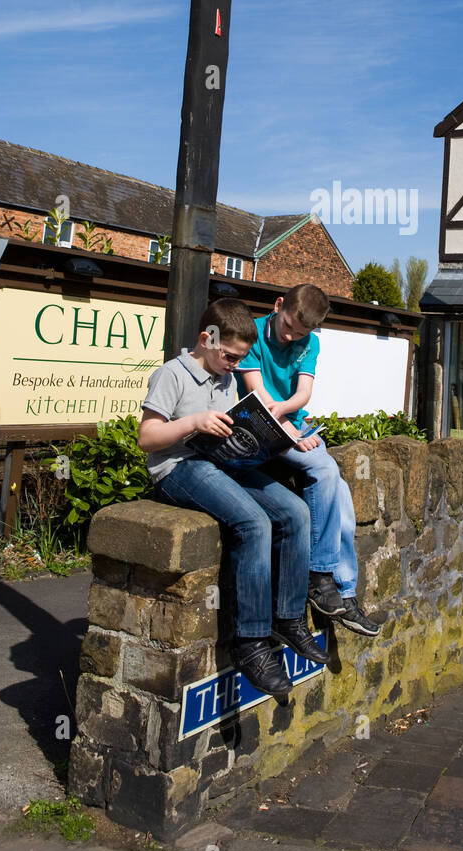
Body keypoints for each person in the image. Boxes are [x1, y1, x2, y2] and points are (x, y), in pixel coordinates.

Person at [137, 297, 325, 698]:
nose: (235, 365)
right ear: (207, 339)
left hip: (220, 462)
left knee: (294, 512)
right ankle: (251, 643)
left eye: (240, 358)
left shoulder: (225, 377)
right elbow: (147, 438)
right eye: (230, 356)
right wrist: (193, 422)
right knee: (254, 523)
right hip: (179, 468)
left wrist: (276, 440)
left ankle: (289, 618)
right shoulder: (173, 373)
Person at [235, 283, 382, 637]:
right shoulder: (250, 333)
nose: (290, 338)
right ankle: (321, 578)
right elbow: (259, 395)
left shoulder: (309, 342)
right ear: (278, 304)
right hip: (257, 427)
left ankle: (343, 593)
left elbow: (303, 394)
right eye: (288, 327)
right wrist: (289, 429)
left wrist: (292, 424)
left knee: (341, 495)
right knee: (326, 468)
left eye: (300, 334)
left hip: (288, 425)